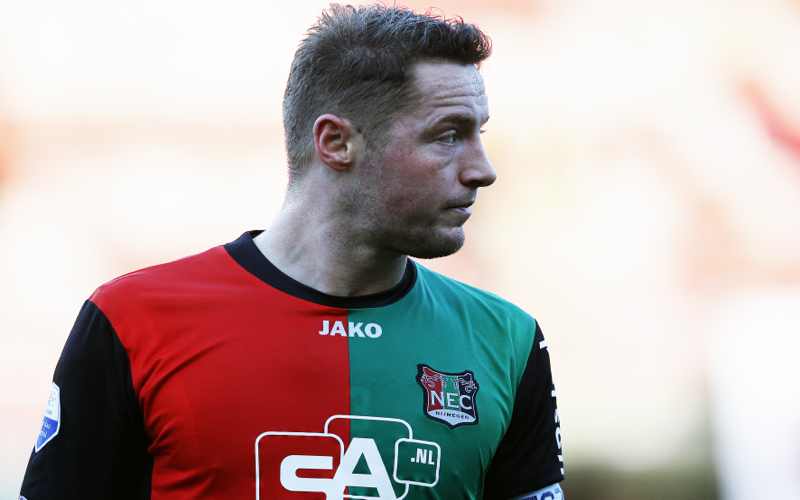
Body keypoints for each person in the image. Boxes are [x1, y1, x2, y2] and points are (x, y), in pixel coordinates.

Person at [19, 4, 564, 499]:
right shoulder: (131, 321)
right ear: (336, 142)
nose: (482, 169)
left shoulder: (507, 340)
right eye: (448, 135)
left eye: (479, 133)